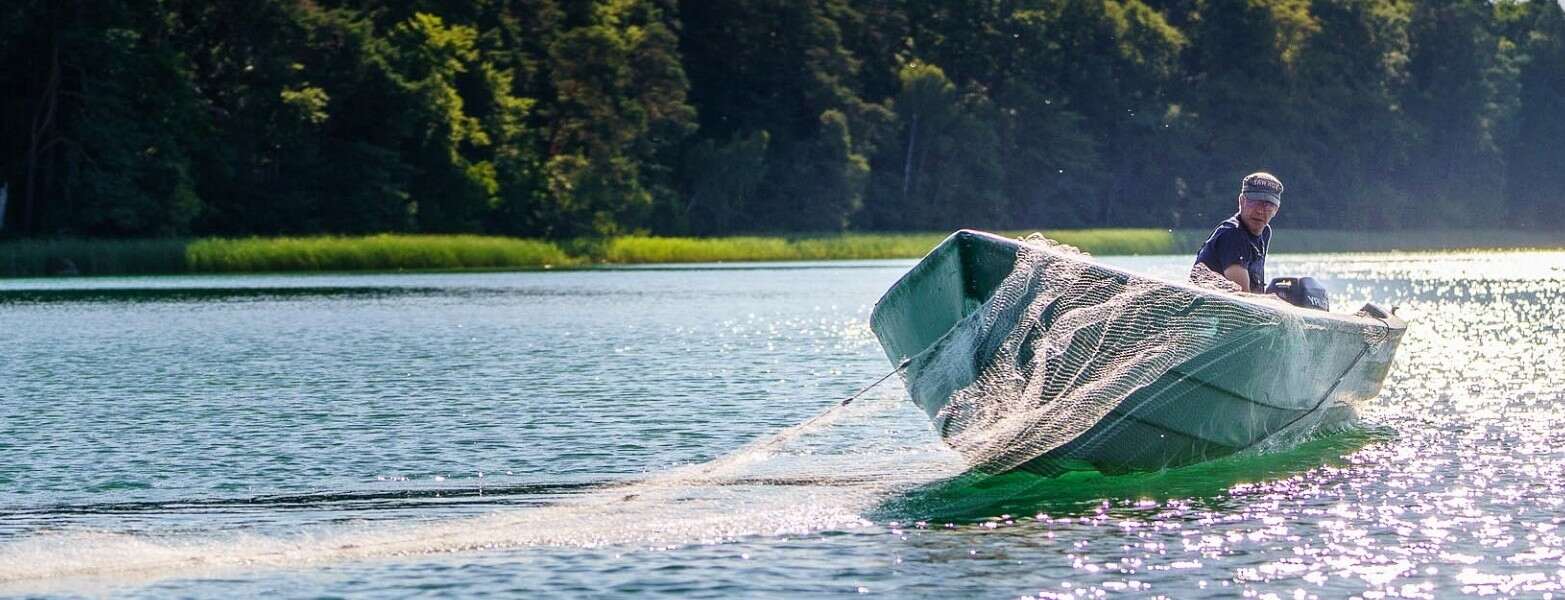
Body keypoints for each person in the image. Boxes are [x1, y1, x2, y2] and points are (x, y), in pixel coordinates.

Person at [1194, 172, 1283, 292]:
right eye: (1254, 202)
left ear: (1276, 210)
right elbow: (1242, 296)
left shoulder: (1265, 232)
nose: (1260, 211)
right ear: (1241, 201)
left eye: (1268, 206)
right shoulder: (1232, 234)